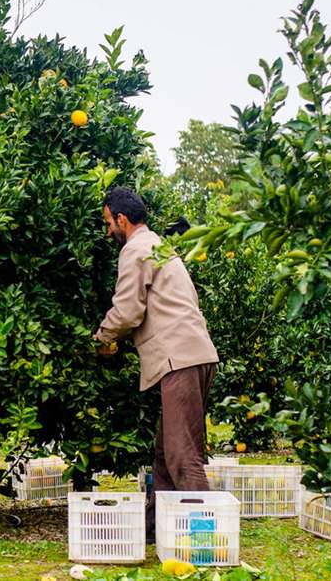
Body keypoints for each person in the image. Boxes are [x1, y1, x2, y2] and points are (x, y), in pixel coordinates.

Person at [92, 187, 219, 540]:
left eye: (108, 223)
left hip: (179, 360)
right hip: (196, 354)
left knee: (182, 455)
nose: (108, 231)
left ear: (122, 219)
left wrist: (101, 339)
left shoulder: (135, 250)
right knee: (165, 453)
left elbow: (128, 310)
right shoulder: (160, 246)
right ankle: (154, 530)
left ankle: (205, 540)